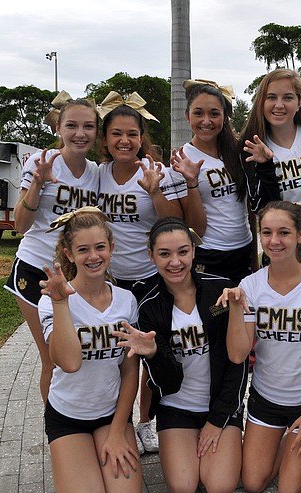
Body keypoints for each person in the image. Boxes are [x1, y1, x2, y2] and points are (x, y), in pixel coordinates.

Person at [114, 217, 247, 493]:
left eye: (182, 252)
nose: (175, 262)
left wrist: (217, 420)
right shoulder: (148, 307)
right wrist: (153, 355)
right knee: (183, 488)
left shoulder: (220, 292)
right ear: (151, 256)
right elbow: (167, 383)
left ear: (194, 251)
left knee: (220, 489)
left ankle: (229, 440)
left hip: (219, 406)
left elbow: (238, 363)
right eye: (164, 254)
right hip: (177, 408)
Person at [219, 200, 301, 493]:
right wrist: (236, 309)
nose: (274, 241)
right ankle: (285, 443)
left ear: (299, 236)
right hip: (266, 398)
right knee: (252, 482)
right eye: (267, 232)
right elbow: (237, 355)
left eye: (284, 232)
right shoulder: (250, 285)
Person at [38, 207, 142, 493]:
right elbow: (68, 362)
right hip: (68, 416)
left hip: (110, 414)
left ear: (111, 247)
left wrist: (116, 431)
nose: (93, 256)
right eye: (83, 249)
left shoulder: (126, 301)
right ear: (69, 253)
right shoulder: (52, 299)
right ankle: (77, 460)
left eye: (100, 247)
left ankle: (98, 453)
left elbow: (129, 373)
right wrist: (60, 303)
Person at [97, 91, 185, 455]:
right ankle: (115, 422)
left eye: (132, 134)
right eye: (116, 133)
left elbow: (176, 225)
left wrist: (155, 192)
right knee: (117, 356)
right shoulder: (98, 175)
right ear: (106, 139)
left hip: (150, 281)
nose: (124, 141)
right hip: (113, 282)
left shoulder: (157, 174)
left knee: (149, 353)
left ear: (141, 138)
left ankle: (147, 422)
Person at [4, 93, 100, 404]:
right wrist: (38, 183)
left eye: (88, 126)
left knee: (79, 354)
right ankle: (56, 430)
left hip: (74, 276)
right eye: (71, 125)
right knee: (52, 358)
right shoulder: (41, 162)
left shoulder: (96, 171)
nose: (80, 133)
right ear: (58, 128)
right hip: (35, 271)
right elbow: (20, 224)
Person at [237, 69, 301, 274]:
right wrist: (266, 166)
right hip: (281, 251)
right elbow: (260, 207)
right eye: (271, 97)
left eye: (287, 97)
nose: (279, 105)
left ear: (300, 102)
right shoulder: (252, 145)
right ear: (261, 102)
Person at [170, 80, 253, 284]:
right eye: (198, 113)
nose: (206, 121)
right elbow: (195, 229)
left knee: (244, 314)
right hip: (210, 254)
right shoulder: (183, 160)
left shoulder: (237, 152)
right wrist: (192, 183)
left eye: (214, 114)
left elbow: (249, 209)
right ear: (187, 116)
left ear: (224, 118)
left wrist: (254, 258)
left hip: (244, 249)